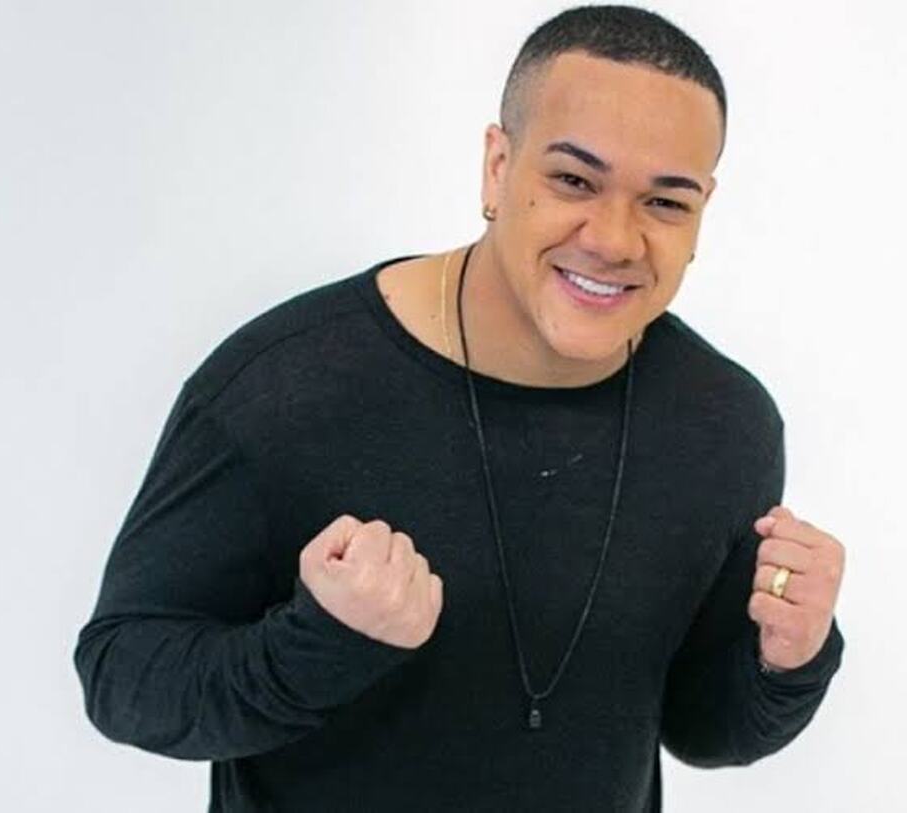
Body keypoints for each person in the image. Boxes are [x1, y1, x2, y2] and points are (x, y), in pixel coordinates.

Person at [74, 5, 846, 811]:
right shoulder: (284, 386)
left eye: (665, 202)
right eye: (574, 180)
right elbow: (122, 677)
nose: (615, 239)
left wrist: (788, 660)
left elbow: (698, 726)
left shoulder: (725, 422)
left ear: (702, 212)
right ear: (497, 167)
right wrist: (320, 642)